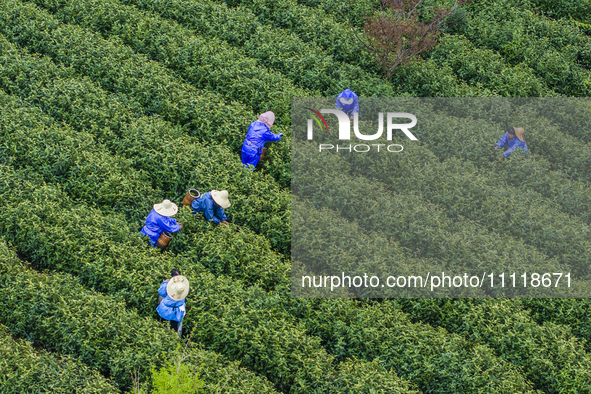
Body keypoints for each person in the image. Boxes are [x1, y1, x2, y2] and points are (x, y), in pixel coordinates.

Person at [157, 269, 189, 334]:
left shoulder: (169, 285)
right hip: (177, 311)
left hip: (166, 309)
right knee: (174, 329)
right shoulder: (183, 286)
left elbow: (161, 292)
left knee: (162, 326)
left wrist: (165, 283)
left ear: (172, 277)